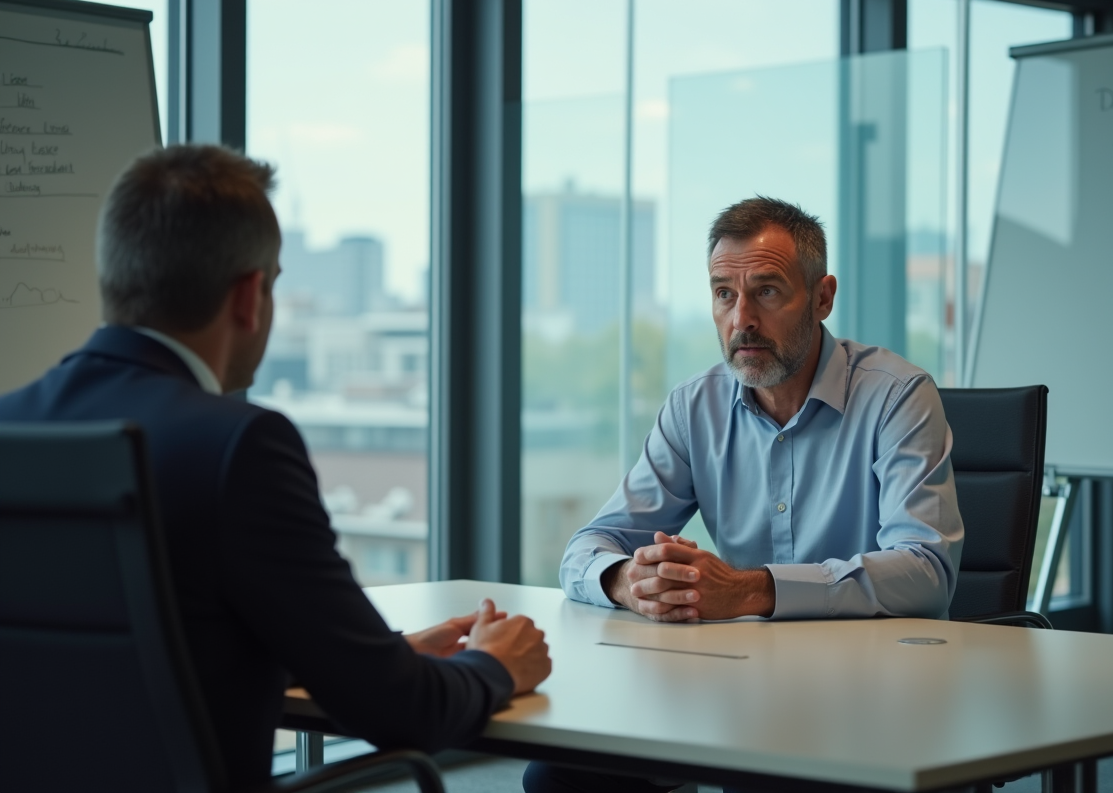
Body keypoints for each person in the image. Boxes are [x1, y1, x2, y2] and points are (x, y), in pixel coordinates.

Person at [0, 144, 551, 790]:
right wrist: (494, 665)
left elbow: (139, 660)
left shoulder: (12, 425)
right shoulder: (238, 446)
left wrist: (374, 657)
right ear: (249, 296)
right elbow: (405, 714)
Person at [523, 196, 963, 793]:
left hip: (871, 693)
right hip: (736, 683)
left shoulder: (898, 396)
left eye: (767, 292)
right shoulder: (694, 406)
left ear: (823, 298)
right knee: (561, 776)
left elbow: (926, 570)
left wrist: (750, 589)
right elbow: (588, 545)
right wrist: (629, 580)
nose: (742, 319)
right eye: (724, 294)